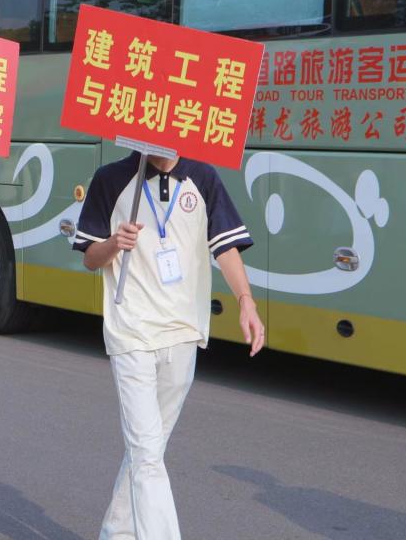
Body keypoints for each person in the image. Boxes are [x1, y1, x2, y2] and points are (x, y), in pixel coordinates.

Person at [73, 151, 265, 540]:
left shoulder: (203, 177)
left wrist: (246, 301)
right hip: (131, 331)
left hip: (183, 330)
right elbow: (90, 258)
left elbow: (225, 246)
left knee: (148, 450)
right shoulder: (111, 178)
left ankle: (115, 532)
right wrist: (114, 243)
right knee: (146, 453)